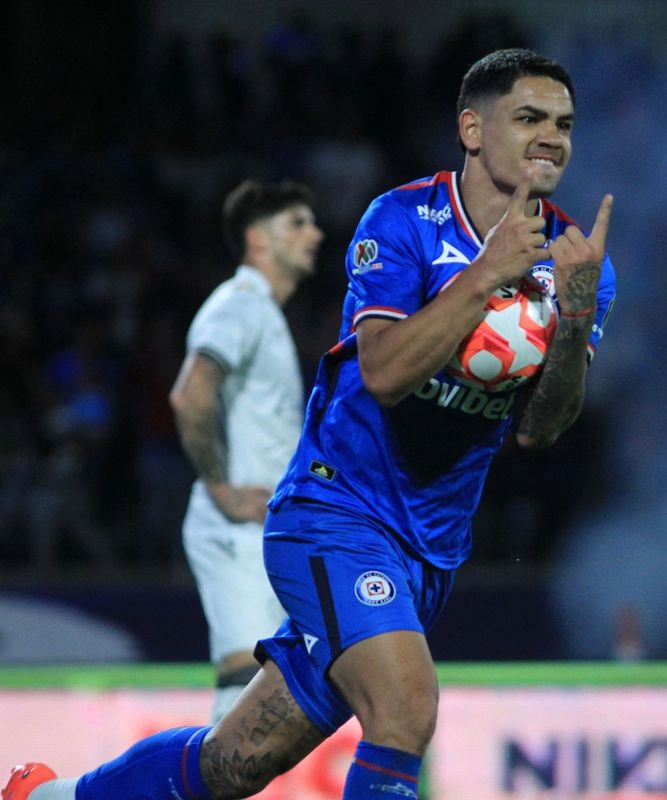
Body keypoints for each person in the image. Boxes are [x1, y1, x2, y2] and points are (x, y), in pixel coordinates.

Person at [4, 47, 616, 800]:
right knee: (406, 707)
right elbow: (386, 374)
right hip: (335, 514)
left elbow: (542, 428)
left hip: (429, 549)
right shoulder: (404, 222)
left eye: (563, 123)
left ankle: (46, 797)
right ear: (472, 128)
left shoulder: (578, 262)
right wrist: (487, 275)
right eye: (528, 118)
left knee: (236, 762)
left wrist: (578, 309)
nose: (551, 136)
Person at [169, 179, 324, 723]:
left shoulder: (265, 314)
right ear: (258, 239)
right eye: (297, 223)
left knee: (275, 698)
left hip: (270, 531)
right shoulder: (240, 305)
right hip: (237, 529)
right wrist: (221, 489)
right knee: (241, 692)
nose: (315, 233)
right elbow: (191, 394)